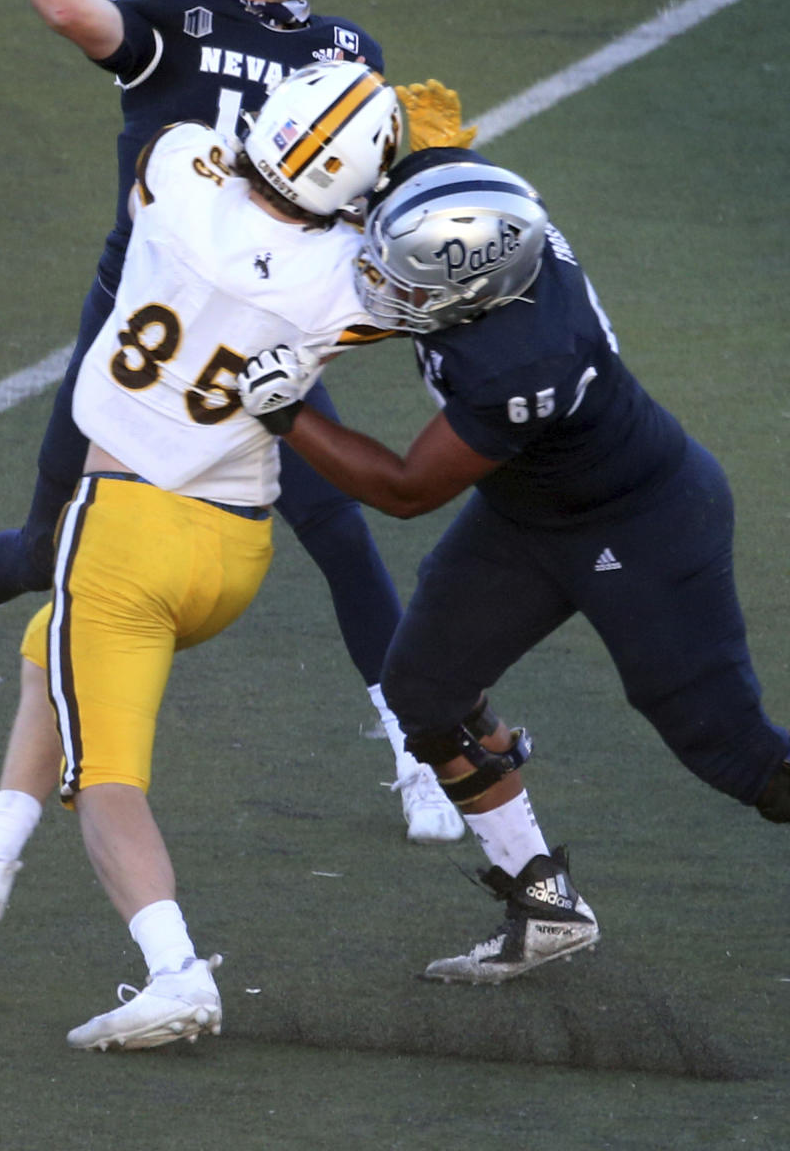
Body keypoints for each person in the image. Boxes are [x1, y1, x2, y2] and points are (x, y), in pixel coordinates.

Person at [0, 0, 463, 845]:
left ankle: (413, 747)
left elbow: (371, 189)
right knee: (51, 542)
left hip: (265, 329)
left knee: (338, 532)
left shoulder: (346, 51)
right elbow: (73, 12)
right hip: (143, 313)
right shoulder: (172, 10)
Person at [0, 60, 404, 1048]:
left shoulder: (180, 165)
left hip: (124, 529)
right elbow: (392, 288)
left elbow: (187, 163)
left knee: (110, 780)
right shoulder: (349, 275)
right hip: (237, 550)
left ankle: (174, 973)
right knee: (51, 648)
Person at [236, 143, 790, 983]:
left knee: (733, 753)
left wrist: (289, 416)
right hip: (530, 511)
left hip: (642, 526)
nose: (383, 287)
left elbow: (404, 490)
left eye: (408, 283)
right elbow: (404, 170)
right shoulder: (477, 211)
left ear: (475, 291)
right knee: (423, 691)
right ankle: (545, 905)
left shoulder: (523, 357)